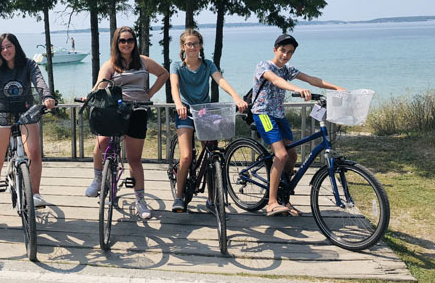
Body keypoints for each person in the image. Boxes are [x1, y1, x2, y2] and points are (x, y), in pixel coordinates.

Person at [252, 34, 346, 216]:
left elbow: (312, 79)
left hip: (279, 115)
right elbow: (275, 80)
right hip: (262, 114)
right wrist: (297, 89)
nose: (285, 55)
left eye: (290, 52)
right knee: (280, 155)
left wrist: (336, 88)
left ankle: (284, 197)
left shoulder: (288, 69)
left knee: (292, 156)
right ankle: (271, 202)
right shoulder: (263, 66)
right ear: (275, 50)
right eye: (283, 51)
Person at [84, 26, 169, 220]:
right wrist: (90, 97)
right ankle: (98, 178)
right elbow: (100, 86)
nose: (126, 44)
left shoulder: (143, 61)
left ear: (134, 42)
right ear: (116, 43)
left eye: (130, 40)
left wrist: (150, 93)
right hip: (116, 110)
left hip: (138, 110)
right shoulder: (110, 64)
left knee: (134, 159)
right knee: (102, 142)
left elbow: (163, 74)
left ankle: (140, 200)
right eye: (122, 40)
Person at [0, 33, 56, 233]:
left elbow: (39, 81)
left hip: (26, 112)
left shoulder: (28, 64)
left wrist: (47, 96)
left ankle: (34, 194)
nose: (5, 50)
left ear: (16, 47)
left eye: (9, 46)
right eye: (2, 48)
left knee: (34, 153)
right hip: (1, 113)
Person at [170, 29, 248, 213]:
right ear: (183, 47)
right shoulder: (176, 66)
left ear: (201, 45)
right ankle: (179, 197)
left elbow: (220, 80)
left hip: (204, 112)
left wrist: (237, 97)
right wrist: (179, 104)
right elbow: (174, 86)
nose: (193, 47)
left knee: (213, 155)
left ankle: (212, 200)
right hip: (185, 113)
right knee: (187, 156)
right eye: (189, 44)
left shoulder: (208, 65)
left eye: (196, 43)